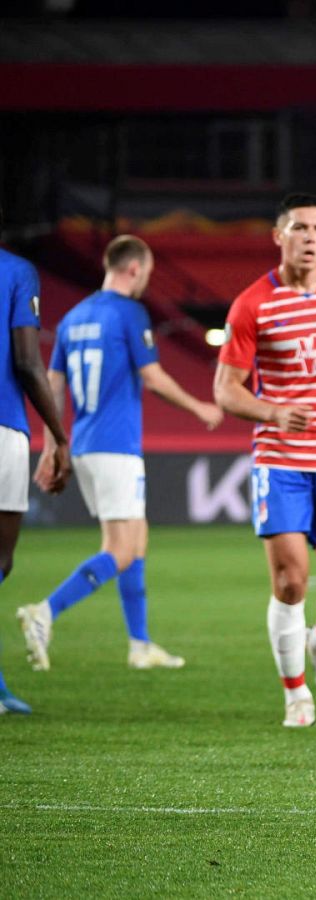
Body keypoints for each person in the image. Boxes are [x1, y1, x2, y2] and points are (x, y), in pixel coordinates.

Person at [18, 236, 222, 673]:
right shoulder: (129, 312)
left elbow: (53, 386)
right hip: (115, 446)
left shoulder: (73, 318)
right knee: (121, 550)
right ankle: (45, 612)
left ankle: (140, 645)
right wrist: (200, 407)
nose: (146, 278)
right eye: (147, 271)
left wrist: (54, 445)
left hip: (86, 444)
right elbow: (153, 376)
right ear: (134, 269)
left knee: (136, 537)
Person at [214, 193, 316, 728]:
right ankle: (295, 694)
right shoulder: (252, 303)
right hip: (279, 458)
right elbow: (226, 390)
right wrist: (273, 412)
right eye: (299, 228)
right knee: (290, 583)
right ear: (278, 236)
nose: (310, 237)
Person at [1, 243, 71, 714]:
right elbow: (26, 362)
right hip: (3, 424)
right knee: (0, 560)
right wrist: (59, 436)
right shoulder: (15, 271)